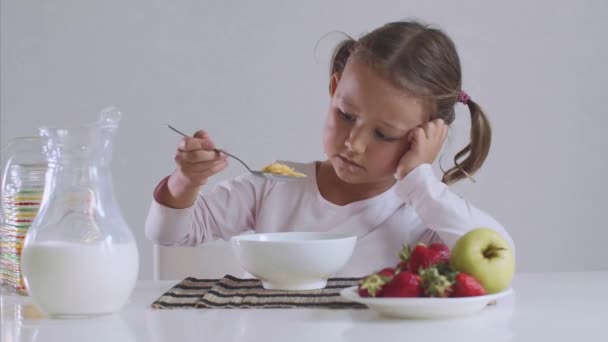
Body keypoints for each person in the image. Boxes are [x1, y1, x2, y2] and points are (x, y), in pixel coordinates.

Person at [145, 20, 514, 277]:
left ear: (423, 138)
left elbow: (500, 257)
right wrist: (185, 182)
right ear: (334, 88)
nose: (354, 143)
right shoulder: (274, 185)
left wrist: (421, 182)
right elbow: (170, 234)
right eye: (346, 115)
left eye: (383, 135)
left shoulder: (423, 214)